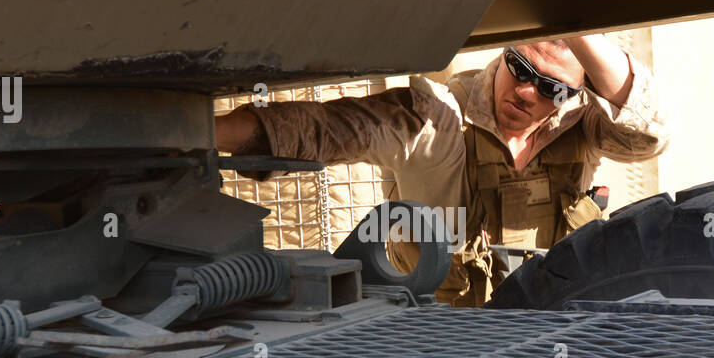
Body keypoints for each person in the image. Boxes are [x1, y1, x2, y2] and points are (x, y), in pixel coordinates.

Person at [215, 33, 666, 305]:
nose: (528, 92)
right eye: (520, 67)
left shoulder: (583, 126)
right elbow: (332, 129)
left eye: (551, 88)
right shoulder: (441, 118)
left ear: (575, 94)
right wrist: (206, 134)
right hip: (443, 342)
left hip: (549, 334)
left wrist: (579, 30)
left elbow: (649, 136)